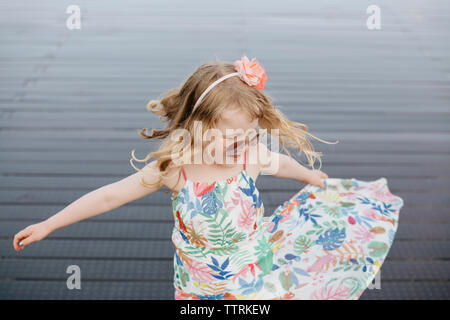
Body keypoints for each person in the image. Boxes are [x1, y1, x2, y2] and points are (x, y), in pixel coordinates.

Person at [13, 55, 404, 300]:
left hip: (252, 277)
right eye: (231, 137)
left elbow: (281, 165)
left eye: (250, 134)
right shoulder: (174, 170)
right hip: (197, 288)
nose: (243, 144)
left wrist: (312, 178)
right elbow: (110, 196)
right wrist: (50, 223)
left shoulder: (250, 157)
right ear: (196, 126)